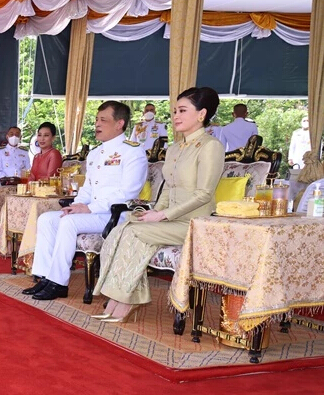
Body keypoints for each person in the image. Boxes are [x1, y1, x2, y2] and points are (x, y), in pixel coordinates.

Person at [93, 87, 224, 322]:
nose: (176, 116)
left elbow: (204, 194)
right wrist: (155, 211)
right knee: (122, 229)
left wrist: (163, 216)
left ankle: (123, 301)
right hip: (170, 219)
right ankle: (121, 298)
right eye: (175, 111)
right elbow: (167, 188)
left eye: (182, 110)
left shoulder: (210, 146)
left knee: (133, 233)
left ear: (202, 114)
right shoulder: (174, 148)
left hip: (195, 223)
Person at [24, 102, 148, 301]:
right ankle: (45, 276)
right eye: (96, 120)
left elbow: (128, 192)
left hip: (115, 214)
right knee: (47, 218)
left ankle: (58, 283)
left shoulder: (132, 151)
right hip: (93, 212)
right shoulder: (95, 153)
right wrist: (76, 206)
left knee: (68, 222)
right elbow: (88, 188)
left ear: (119, 124)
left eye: (103, 120)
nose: (97, 124)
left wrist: (88, 209)